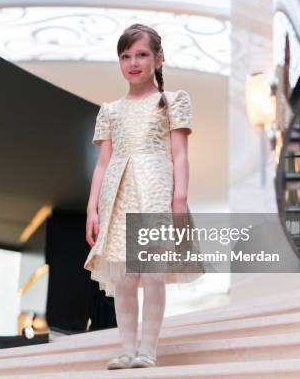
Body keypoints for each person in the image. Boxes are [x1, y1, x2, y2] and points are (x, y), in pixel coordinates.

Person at [84, 23, 203, 369]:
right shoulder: (109, 110)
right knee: (124, 276)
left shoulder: (172, 101)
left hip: (155, 188)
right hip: (117, 193)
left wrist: (179, 200)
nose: (133, 62)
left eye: (141, 54)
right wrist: (93, 207)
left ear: (158, 58)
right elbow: (102, 163)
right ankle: (126, 349)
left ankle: (148, 350)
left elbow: (180, 154)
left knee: (151, 272)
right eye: (125, 56)